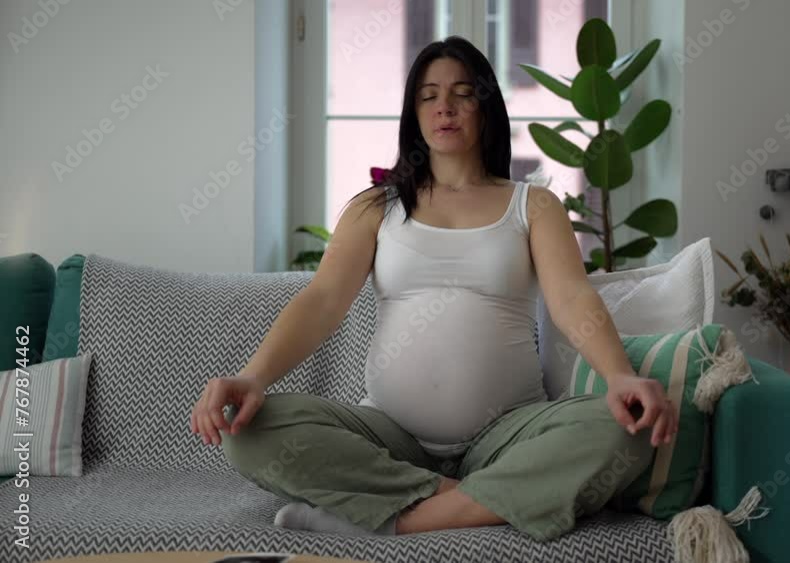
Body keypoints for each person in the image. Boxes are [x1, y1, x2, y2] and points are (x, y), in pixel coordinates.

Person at [190, 36, 677, 543]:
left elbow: (572, 299)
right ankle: (477, 498)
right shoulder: (375, 208)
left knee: (624, 431)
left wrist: (619, 376)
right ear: (414, 113)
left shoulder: (533, 206)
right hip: (388, 436)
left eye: (463, 93)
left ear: (486, 107)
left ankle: (398, 518)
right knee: (248, 432)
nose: (445, 106)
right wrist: (252, 377)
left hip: (508, 432)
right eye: (428, 95)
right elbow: (321, 302)